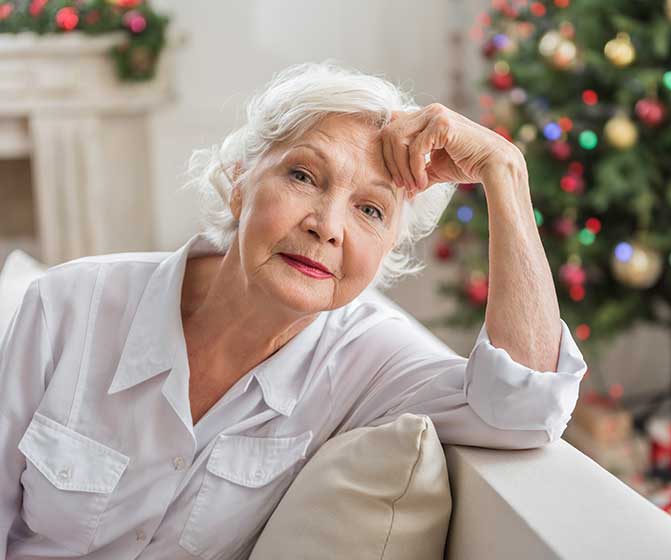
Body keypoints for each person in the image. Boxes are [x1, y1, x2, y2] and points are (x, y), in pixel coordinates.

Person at [0, 61, 588, 559]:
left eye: (371, 211)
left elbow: (526, 405)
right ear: (238, 181)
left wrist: (504, 172)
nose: (326, 226)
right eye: (304, 176)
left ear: (387, 252)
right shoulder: (68, 305)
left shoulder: (371, 361)